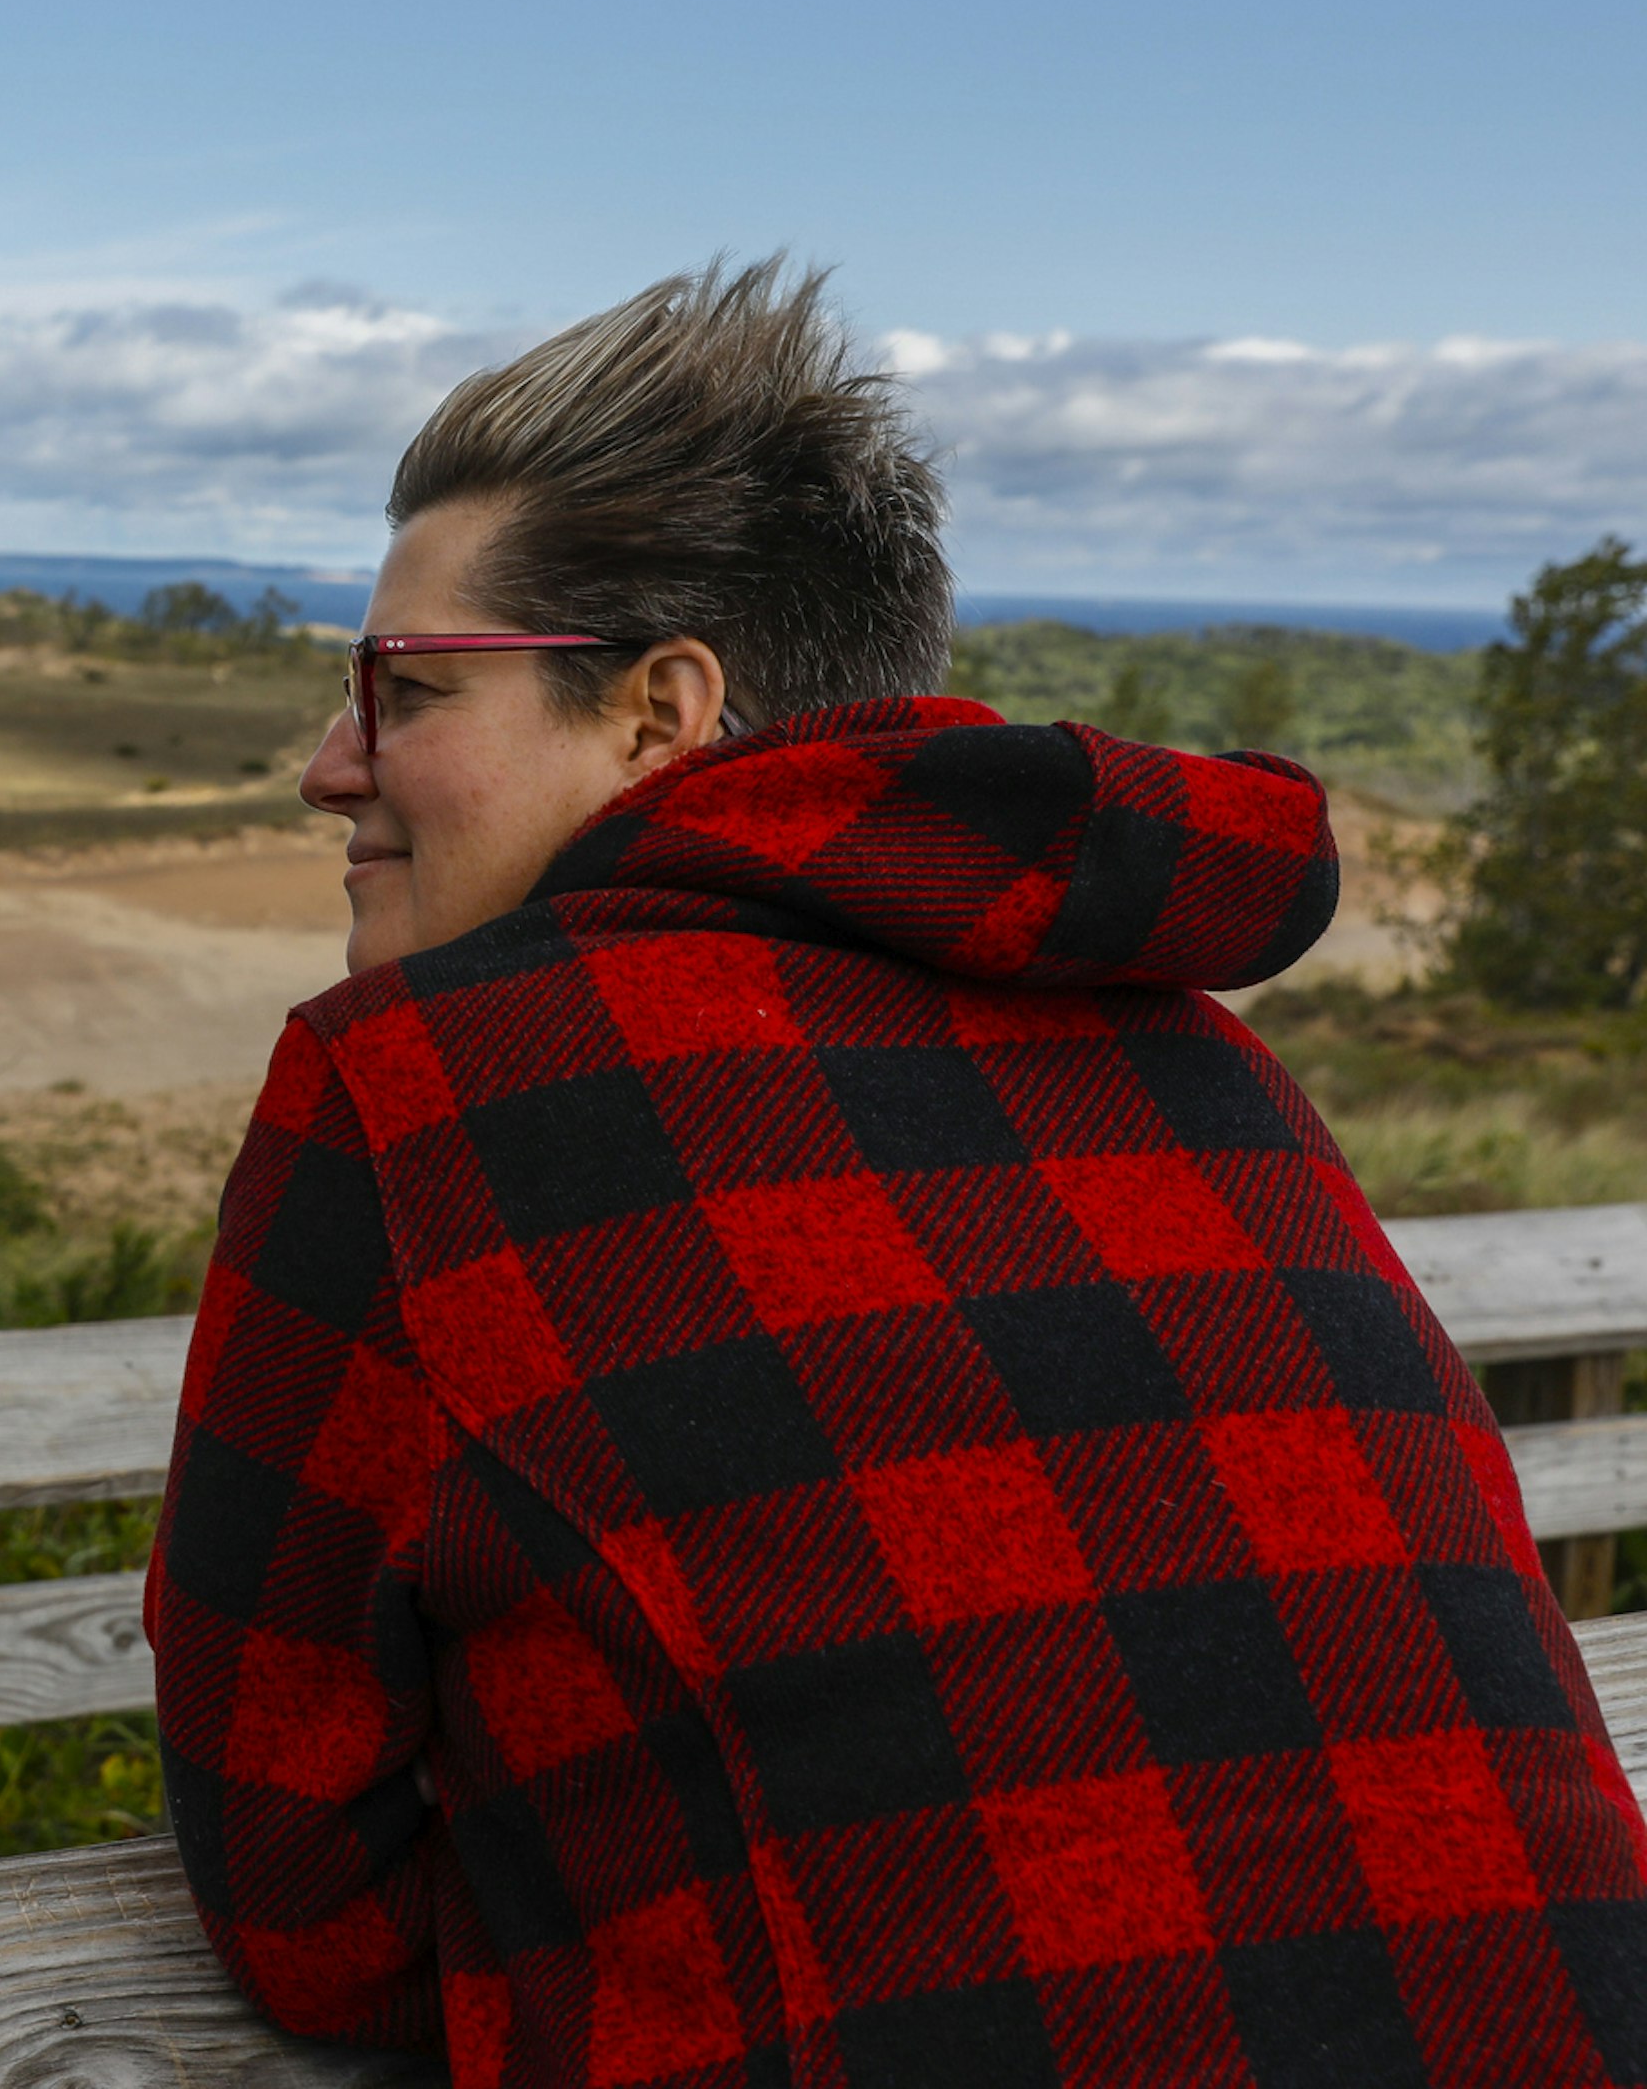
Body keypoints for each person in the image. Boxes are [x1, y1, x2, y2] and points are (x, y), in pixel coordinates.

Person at [147, 260, 1647, 2088]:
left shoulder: (410, 1093)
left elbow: (304, 1904)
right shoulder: (1204, 1057)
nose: (331, 764)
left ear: (659, 708)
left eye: (400, 687)